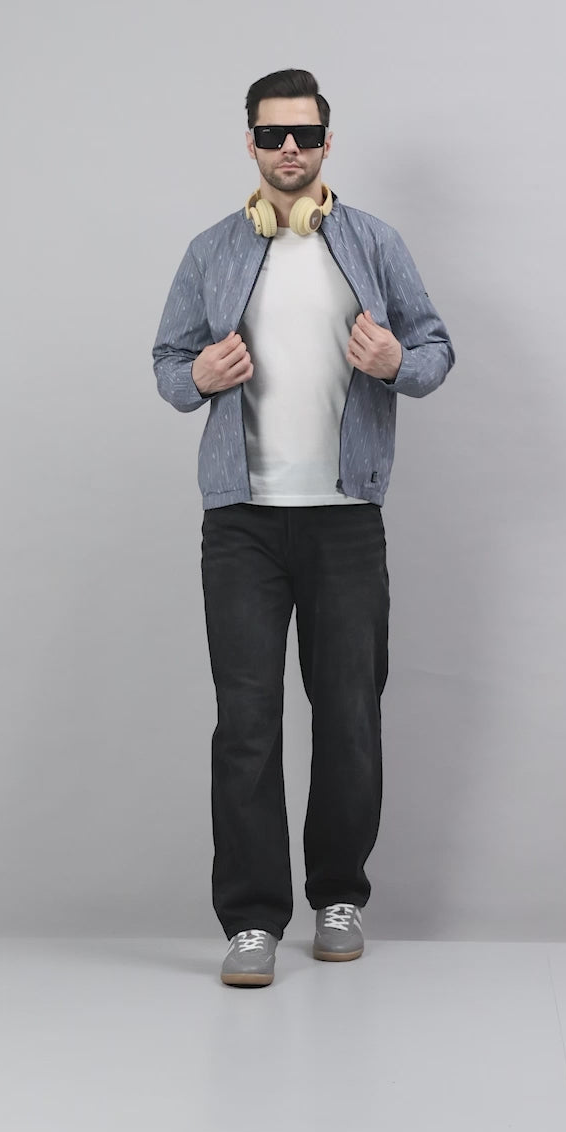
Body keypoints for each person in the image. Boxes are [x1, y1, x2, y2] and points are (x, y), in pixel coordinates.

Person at [152, 69, 454, 987]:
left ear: (327, 142)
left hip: (346, 519)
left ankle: (339, 898)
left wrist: (395, 361)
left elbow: (435, 349)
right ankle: (251, 920)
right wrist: (197, 376)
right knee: (245, 724)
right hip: (241, 522)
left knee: (349, 717)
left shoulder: (373, 243)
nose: (291, 148)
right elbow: (167, 364)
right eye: (275, 134)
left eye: (307, 134)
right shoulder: (211, 250)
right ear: (250, 142)